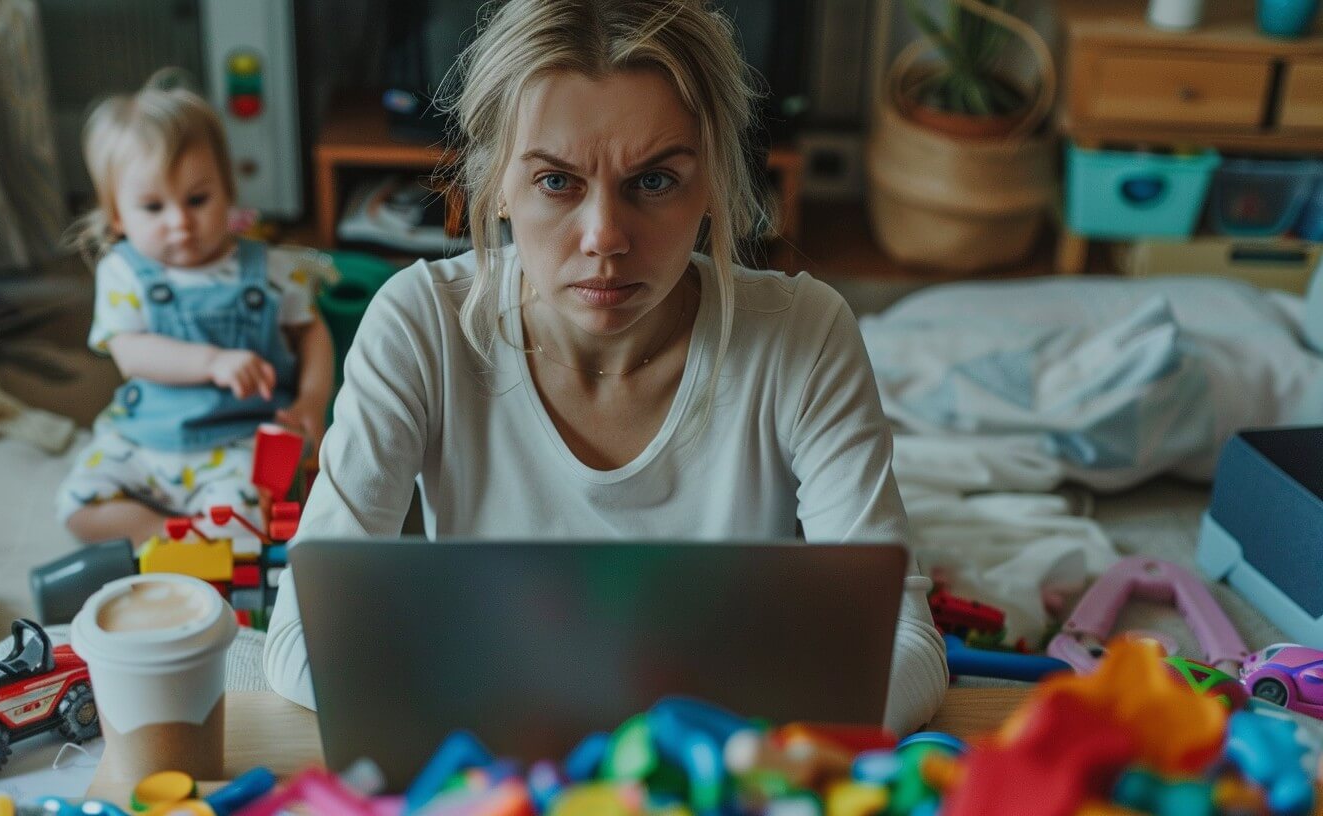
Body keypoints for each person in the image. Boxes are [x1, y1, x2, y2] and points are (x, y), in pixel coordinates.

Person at [265, 0, 947, 733]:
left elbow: (906, 649)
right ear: (495, 183)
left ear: (714, 178)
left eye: (653, 182)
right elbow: (301, 639)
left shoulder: (802, 336)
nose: (604, 238)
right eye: (557, 182)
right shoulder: (419, 325)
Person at [56, 84, 333, 546]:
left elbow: (311, 332)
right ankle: (162, 534)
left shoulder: (272, 270)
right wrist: (213, 362)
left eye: (197, 200)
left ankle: (211, 533)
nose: (180, 223)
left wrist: (311, 400)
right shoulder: (123, 272)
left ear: (227, 190)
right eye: (153, 207)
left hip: (240, 437)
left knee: (252, 520)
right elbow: (130, 353)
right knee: (76, 505)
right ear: (118, 217)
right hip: (145, 438)